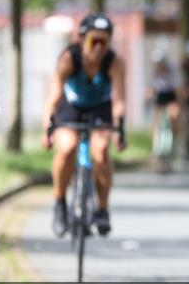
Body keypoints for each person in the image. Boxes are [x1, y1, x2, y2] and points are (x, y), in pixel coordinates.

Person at [41, 13, 127, 237]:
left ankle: (102, 209)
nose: (99, 47)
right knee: (67, 147)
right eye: (93, 41)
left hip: (100, 108)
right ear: (82, 40)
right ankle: (60, 204)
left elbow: (118, 101)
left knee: (100, 152)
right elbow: (54, 96)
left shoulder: (114, 62)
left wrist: (120, 130)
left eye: (104, 42)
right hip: (71, 107)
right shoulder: (69, 59)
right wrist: (47, 128)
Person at [148, 50, 182, 153]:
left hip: (171, 94)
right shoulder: (154, 71)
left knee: (174, 116)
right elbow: (150, 88)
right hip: (160, 95)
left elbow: (178, 88)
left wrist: (180, 103)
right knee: (156, 119)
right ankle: (156, 146)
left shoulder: (173, 70)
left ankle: (176, 141)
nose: (160, 66)